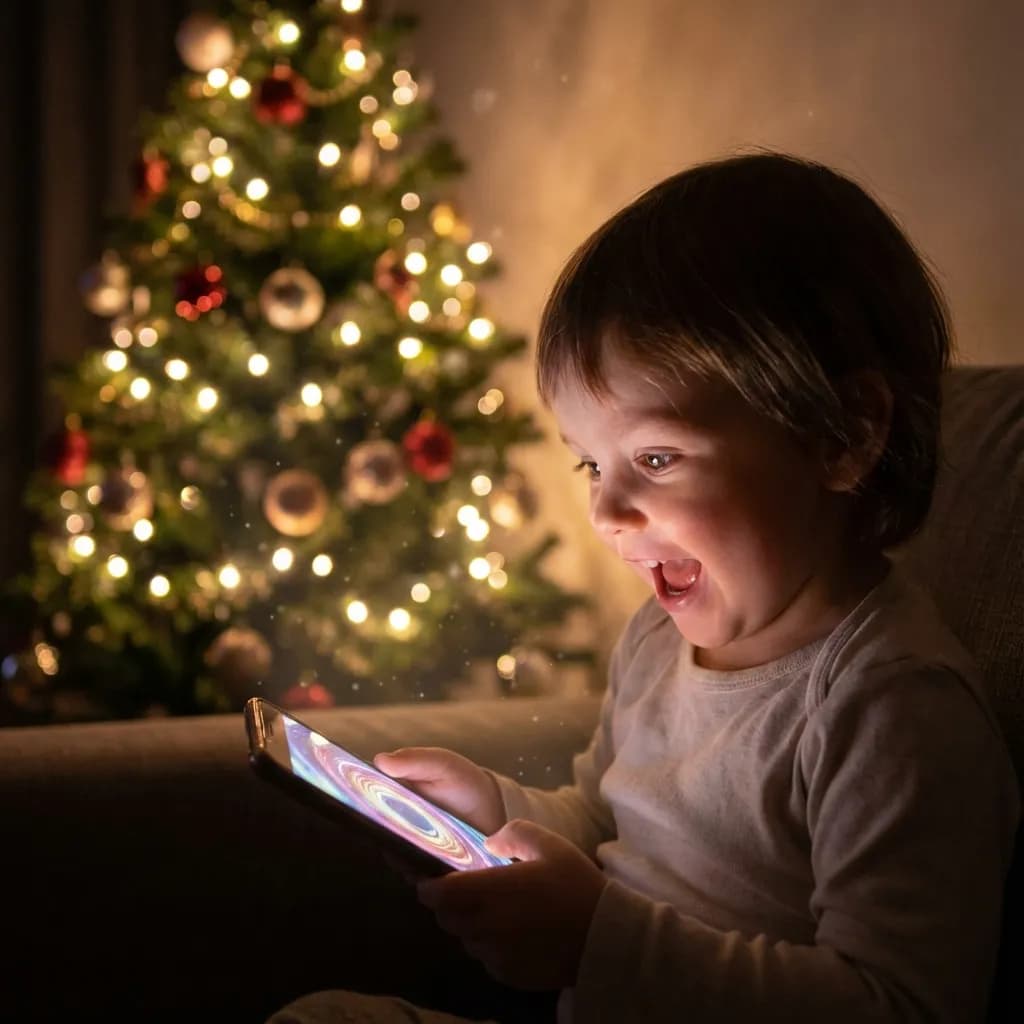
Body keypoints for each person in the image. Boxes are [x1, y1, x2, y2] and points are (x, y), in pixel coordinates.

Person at [268, 151, 1020, 1024]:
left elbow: (898, 1004)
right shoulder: (660, 640)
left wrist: (597, 944)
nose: (606, 510)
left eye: (657, 458)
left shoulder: (890, 705)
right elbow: (604, 823)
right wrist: (492, 815)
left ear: (843, 437)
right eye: (592, 463)